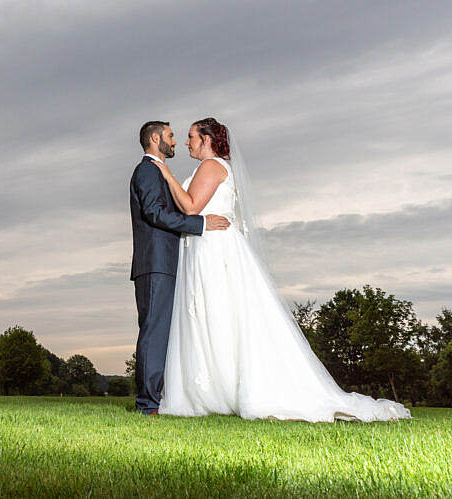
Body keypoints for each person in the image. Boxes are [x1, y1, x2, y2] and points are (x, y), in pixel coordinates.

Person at [151, 117, 411, 421]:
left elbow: (192, 207)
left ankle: (227, 388)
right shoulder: (208, 167)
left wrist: (166, 173)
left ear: (207, 139)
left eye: (192, 136)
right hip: (202, 245)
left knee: (218, 312)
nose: (187, 142)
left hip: (213, 249)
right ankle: (215, 389)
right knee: (210, 314)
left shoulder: (211, 166)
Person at [129, 121, 232, 415]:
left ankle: (157, 399)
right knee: (154, 332)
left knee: (162, 331)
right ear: (155, 138)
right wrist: (200, 224)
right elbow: (154, 213)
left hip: (168, 262)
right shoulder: (147, 170)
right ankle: (147, 405)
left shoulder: (158, 171)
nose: (176, 142)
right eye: (172, 136)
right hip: (156, 263)